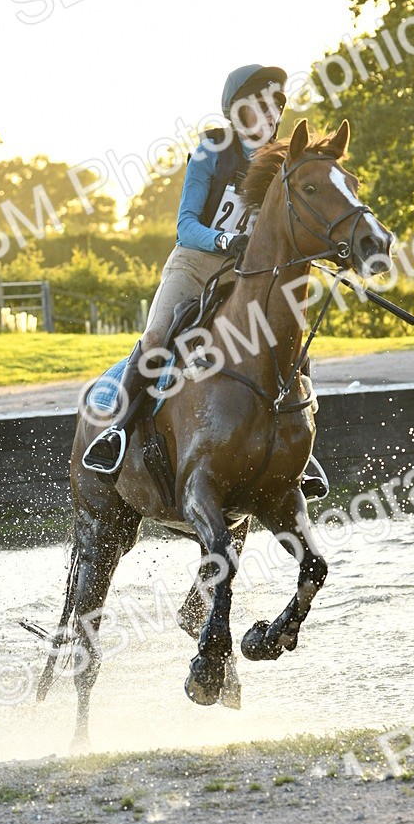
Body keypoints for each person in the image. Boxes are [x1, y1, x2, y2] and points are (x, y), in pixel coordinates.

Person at [82, 63, 329, 499]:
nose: (272, 116)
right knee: (159, 335)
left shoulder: (281, 161)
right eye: (262, 105)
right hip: (195, 264)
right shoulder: (212, 151)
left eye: (277, 107)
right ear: (237, 110)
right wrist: (226, 237)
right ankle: (115, 435)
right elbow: (186, 225)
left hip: (243, 274)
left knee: (288, 340)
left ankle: (301, 454)